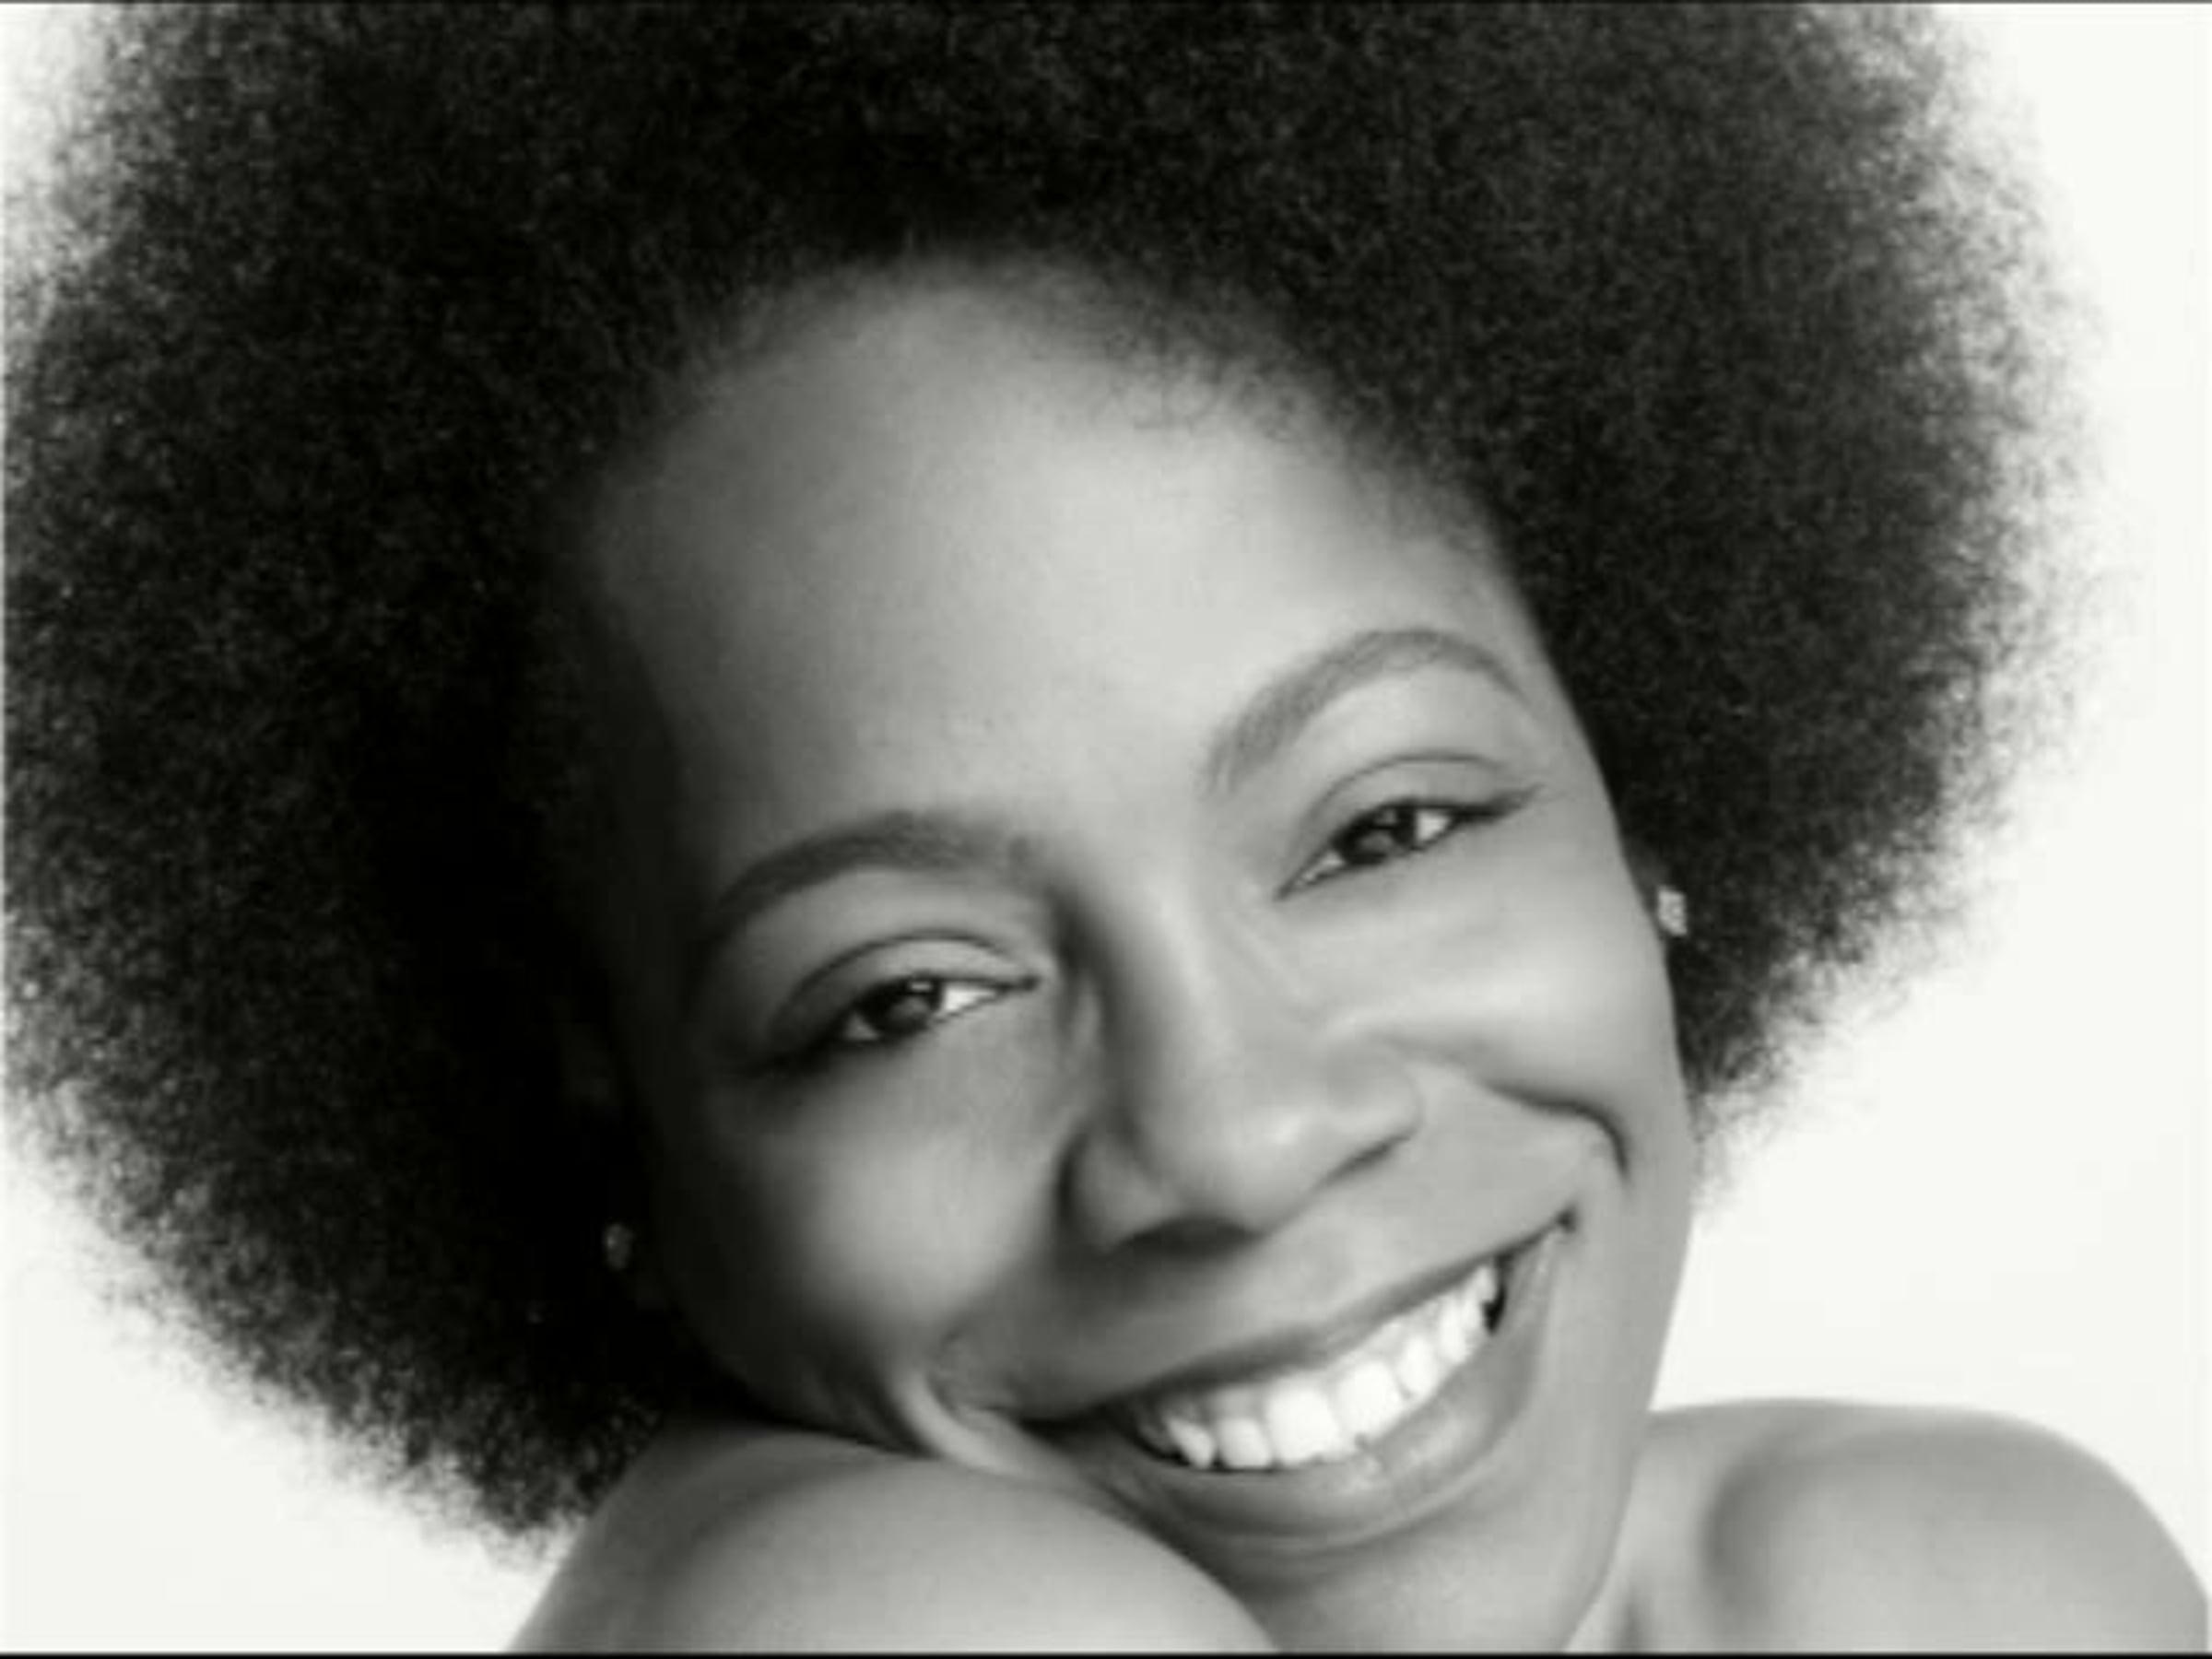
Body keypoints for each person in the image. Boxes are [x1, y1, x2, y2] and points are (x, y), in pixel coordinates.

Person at [5, 4, 2201, 1649]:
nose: (1232, 1141)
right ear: (612, 1138)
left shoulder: (1945, 1583)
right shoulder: (868, 1626)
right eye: (905, 998)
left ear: (1644, 784)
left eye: (1386, 828)